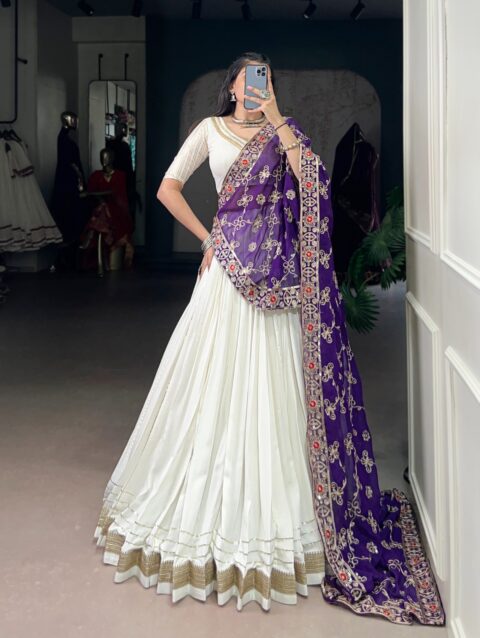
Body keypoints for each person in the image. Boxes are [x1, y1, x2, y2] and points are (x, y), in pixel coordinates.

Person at [92, 52, 445, 625]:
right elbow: (167, 188)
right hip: (227, 273)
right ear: (231, 86)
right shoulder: (209, 130)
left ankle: (289, 514)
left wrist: (278, 118)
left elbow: (313, 184)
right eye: (249, 78)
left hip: (278, 279)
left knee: (276, 391)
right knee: (210, 385)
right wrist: (208, 237)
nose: (258, 86)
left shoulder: (285, 134)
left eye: (266, 79)